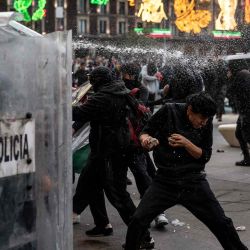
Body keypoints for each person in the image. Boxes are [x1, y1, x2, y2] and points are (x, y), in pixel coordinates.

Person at [125, 92, 248, 250]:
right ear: (190, 110)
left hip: (193, 181)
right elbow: (145, 132)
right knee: (138, 220)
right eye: (201, 119)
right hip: (164, 181)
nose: (203, 123)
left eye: (206, 120)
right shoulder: (169, 111)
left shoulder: (206, 121)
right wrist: (147, 141)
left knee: (222, 223)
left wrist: (187, 144)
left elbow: (205, 156)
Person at [72, 66, 154, 248]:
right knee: (90, 184)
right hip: (109, 149)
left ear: (98, 81)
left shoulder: (103, 97)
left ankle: (143, 236)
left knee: (118, 195)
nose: (91, 84)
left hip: (109, 151)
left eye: (92, 80)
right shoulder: (120, 90)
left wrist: (66, 102)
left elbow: (78, 113)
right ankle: (101, 223)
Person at [227, 60, 250, 166]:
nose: (228, 70)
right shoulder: (242, 74)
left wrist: (231, 78)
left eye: (229, 68)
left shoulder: (243, 74)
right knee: (239, 134)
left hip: (247, 111)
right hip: (244, 111)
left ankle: (247, 158)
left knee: (246, 135)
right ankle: (247, 158)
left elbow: (234, 91)